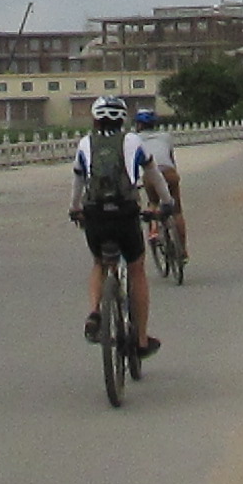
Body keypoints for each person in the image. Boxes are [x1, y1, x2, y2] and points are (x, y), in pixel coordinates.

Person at [71, 95, 171, 358]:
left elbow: (78, 181)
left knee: (99, 263)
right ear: (123, 119)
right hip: (125, 214)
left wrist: (75, 208)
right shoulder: (133, 141)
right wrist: (167, 202)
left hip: (95, 214)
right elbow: (154, 175)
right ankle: (141, 341)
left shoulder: (85, 143)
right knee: (136, 268)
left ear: (95, 119)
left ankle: (95, 312)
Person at [131, 108, 187, 263]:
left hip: (151, 175)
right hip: (170, 173)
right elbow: (170, 158)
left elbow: (135, 164)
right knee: (176, 210)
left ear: (139, 125)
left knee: (153, 202)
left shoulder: (134, 139)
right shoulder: (166, 136)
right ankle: (182, 251)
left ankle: (154, 231)